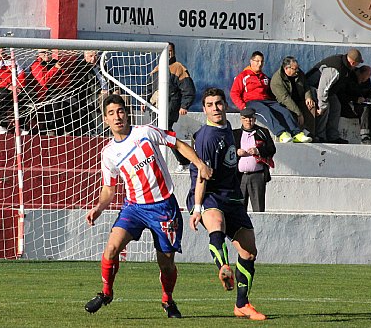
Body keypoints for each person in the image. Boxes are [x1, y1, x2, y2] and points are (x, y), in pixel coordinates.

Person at [84, 94, 212, 318]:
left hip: (163, 206)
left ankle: (167, 300)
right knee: (111, 248)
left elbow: (178, 143)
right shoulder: (108, 154)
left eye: (120, 111)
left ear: (127, 113)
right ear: (105, 120)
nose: (117, 117)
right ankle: (106, 292)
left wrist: (199, 163)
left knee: (166, 264)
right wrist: (99, 207)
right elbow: (109, 189)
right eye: (111, 114)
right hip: (134, 207)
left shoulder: (145, 132)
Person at [187, 88, 266, 321]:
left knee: (249, 251)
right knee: (217, 224)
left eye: (219, 103)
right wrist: (198, 208)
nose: (215, 108)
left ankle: (242, 304)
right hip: (208, 193)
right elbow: (202, 175)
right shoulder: (207, 137)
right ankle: (223, 267)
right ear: (204, 110)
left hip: (231, 195)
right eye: (210, 105)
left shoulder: (230, 133)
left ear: (226, 105)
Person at [230, 51, 311, 143]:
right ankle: (281, 134)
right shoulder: (243, 76)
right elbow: (234, 93)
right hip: (252, 102)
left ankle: (297, 134)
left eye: (262, 62)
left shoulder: (264, 77)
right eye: (257, 61)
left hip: (266, 101)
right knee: (266, 111)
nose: (259, 64)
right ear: (251, 61)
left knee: (283, 110)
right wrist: (243, 107)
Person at [147, 43, 196, 172]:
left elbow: (188, 89)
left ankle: (183, 160)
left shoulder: (178, 68)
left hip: (170, 107)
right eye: (166, 51)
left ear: (174, 52)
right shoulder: (157, 69)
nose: (168, 53)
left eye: (170, 51)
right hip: (156, 108)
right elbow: (150, 88)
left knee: (164, 133)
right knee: (159, 134)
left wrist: (184, 105)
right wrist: (145, 101)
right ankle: (160, 162)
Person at [305, 48, 363, 144]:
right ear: (353, 63)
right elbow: (323, 89)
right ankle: (320, 135)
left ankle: (333, 136)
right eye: (357, 63)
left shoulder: (345, 65)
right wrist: (322, 106)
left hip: (328, 91)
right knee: (325, 108)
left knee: (336, 106)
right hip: (313, 88)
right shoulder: (335, 69)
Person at [233, 107, 276, 212]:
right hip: (240, 176)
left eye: (251, 119)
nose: (248, 121)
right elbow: (227, 151)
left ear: (255, 119)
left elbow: (272, 149)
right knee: (239, 208)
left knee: (258, 207)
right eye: (245, 119)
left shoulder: (262, 132)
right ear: (241, 119)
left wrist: (258, 150)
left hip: (257, 175)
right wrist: (236, 152)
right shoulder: (235, 134)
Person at [270, 56, 316, 137]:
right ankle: (298, 134)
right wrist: (299, 113)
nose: (297, 70)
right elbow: (285, 99)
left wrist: (308, 97)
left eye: (298, 68)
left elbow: (306, 85)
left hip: (300, 100)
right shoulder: (277, 81)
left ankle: (310, 133)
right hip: (287, 104)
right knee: (291, 113)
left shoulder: (298, 73)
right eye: (295, 69)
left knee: (311, 106)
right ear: (287, 68)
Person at [67, 50, 109, 135]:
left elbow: (112, 81)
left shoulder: (102, 67)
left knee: (124, 98)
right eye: (90, 56)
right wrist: (100, 92)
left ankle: (129, 129)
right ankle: (107, 131)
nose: (93, 59)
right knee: (104, 97)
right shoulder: (82, 69)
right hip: (92, 97)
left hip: (109, 93)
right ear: (85, 56)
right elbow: (83, 88)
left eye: (95, 56)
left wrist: (117, 90)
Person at [30, 49, 71, 135]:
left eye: (48, 52)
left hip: (58, 91)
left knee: (73, 102)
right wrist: (55, 69)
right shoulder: (36, 65)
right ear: (38, 54)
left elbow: (66, 81)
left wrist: (55, 81)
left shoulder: (55, 62)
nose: (46, 54)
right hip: (42, 95)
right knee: (55, 104)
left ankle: (67, 129)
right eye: (43, 52)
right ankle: (50, 128)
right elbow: (44, 81)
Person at [339, 65, 371, 145]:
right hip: (348, 106)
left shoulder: (366, 80)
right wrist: (356, 99)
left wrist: (369, 98)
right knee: (365, 108)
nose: (364, 80)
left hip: (361, 104)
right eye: (363, 78)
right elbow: (342, 94)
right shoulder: (349, 78)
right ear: (359, 73)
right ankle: (365, 136)